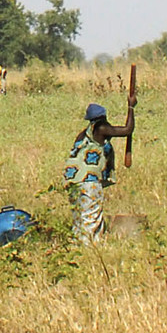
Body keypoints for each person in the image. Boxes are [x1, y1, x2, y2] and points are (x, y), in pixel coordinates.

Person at [63, 98, 134, 245]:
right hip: (88, 181)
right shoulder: (101, 128)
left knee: (79, 216)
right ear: (102, 118)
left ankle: (77, 246)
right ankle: (90, 249)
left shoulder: (84, 134)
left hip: (73, 181)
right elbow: (127, 130)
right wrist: (131, 107)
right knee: (90, 217)